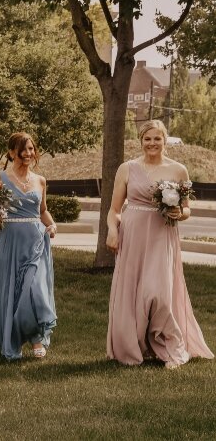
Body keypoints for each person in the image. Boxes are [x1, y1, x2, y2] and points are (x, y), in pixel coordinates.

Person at [106, 120, 213, 368]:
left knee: (158, 292)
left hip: (162, 235)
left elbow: (187, 209)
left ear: (165, 141)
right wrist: (112, 230)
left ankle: (169, 343)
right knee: (133, 292)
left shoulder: (178, 170)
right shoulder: (127, 168)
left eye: (157, 139)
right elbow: (113, 210)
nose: (152, 143)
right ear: (141, 141)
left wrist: (181, 213)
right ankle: (136, 344)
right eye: (147, 139)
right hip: (132, 234)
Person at [0, 132, 57, 359]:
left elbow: (42, 210)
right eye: (23, 149)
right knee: (12, 292)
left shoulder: (40, 180)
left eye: (31, 149)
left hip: (35, 241)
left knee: (33, 289)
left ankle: (36, 338)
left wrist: (52, 224)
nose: (28, 154)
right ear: (11, 153)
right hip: (9, 241)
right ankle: (14, 339)